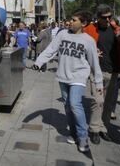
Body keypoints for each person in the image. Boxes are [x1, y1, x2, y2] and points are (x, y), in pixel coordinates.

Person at [32, 10, 103, 153]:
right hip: (63, 76)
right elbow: (51, 49)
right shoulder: (62, 34)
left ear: (83, 24)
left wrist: (98, 82)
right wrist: (39, 62)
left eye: (74, 20)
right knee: (68, 106)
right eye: (70, 19)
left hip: (78, 77)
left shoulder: (88, 40)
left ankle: (83, 137)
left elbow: (94, 63)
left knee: (75, 104)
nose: (70, 22)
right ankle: (74, 133)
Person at [83, 4, 118, 144]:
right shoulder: (89, 30)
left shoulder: (115, 30)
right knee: (98, 100)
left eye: (110, 17)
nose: (108, 20)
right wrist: (91, 53)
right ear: (98, 18)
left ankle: (103, 128)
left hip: (113, 70)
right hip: (96, 70)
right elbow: (80, 46)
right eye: (105, 18)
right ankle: (94, 129)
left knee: (108, 103)